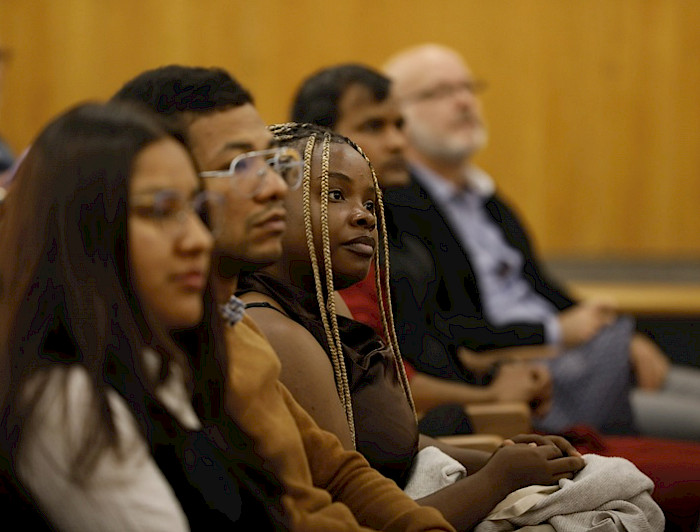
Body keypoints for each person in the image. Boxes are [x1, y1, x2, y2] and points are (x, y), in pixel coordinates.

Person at [112, 66, 456, 531]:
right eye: (242, 166)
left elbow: (338, 473)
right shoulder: (112, 369)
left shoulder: (233, 330)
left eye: (274, 166)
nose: (275, 188)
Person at [237, 122, 587, 531]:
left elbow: (388, 441)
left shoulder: (330, 303)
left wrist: (497, 457)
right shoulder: (275, 332)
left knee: (610, 481)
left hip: (422, 498)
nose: (364, 217)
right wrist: (498, 479)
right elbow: (348, 511)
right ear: (268, 206)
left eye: (370, 204)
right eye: (336, 195)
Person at [381, 43, 700, 440]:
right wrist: (554, 332)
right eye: (440, 92)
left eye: (468, 87)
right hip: (536, 383)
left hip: (584, 359)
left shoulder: (485, 198)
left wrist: (619, 333)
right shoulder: (395, 207)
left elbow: (540, 286)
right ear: (397, 117)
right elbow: (452, 330)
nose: (464, 102)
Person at [0, 101, 287, 529]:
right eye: (159, 211)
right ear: (82, 233)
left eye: (195, 210)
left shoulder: (168, 364)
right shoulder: (66, 397)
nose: (197, 240)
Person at [290, 63, 553, 420]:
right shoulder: (333, 247)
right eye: (374, 126)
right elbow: (382, 381)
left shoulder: (404, 222)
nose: (398, 142)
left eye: (400, 124)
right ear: (320, 141)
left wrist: (499, 370)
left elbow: (430, 342)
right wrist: (494, 397)